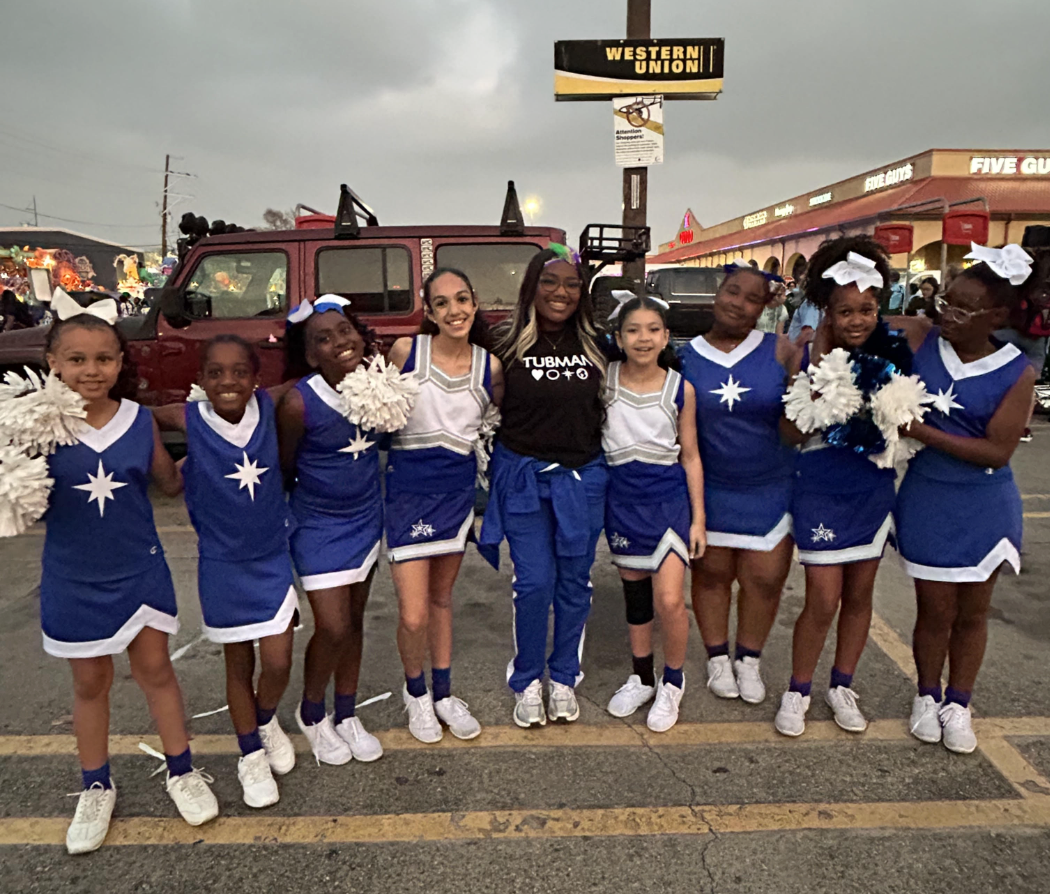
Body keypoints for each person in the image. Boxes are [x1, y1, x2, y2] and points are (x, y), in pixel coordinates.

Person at [41, 295, 218, 855]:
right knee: (90, 684)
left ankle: (182, 769)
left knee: (156, 672)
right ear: (51, 363)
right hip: (72, 576)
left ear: (121, 362)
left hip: (138, 570)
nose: (90, 371)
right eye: (76, 360)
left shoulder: (138, 421)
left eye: (103, 359)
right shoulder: (35, 428)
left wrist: (221, 451)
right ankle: (95, 785)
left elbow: (168, 483)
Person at [891, 245, 1036, 753]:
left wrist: (921, 431)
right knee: (934, 610)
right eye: (945, 303)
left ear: (998, 315)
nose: (947, 315)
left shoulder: (1019, 372)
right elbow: (854, 320)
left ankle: (960, 702)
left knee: (974, 611)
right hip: (927, 496)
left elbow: (997, 450)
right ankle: (926, 695)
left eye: (963, 308)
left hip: (983, 502)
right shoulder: (921, 337)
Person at [155, 335, 297, 808]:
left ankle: (265, 718)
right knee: (239, 664)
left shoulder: (270, 404)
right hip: (221, 565)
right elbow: (134, 415)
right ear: (201, 379)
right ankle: (250, 753)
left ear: (256, 377)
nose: (227, 381)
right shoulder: (187, 417)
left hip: (272, 557)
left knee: (277, 661)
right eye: (215, 372)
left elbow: (307, 382)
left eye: (239, 371)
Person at [774, 237, 908, 737]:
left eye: (867, 309)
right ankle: (798, 689)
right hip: (820, 487)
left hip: (871, 487)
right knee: (823, 599)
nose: (857, 320)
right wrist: (817, 400)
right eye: (846, 310)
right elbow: (788, 434)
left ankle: (842, 685)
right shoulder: (805, 353)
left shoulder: (891, 354)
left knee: (860, 594)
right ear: (827, 309)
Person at [478, 244, 608, 728]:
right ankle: (528, 678)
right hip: (524, 477)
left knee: (575, 583)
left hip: (584, 478)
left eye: (572, 284)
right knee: (534, 583)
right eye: (550, 282)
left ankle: (563, 677)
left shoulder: (598, 342)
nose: (561, 292)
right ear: (532, 286)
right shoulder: (504, 342)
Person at [386, 269, 503, 743]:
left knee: (441, 600)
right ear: (428, 311)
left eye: (462, 299)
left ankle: (443, 692)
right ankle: (415, 695)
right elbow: (380, 413)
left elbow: (494, 427)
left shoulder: (489, 367)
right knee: (413, 613)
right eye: (442, 303)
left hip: (455, 495)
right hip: (408, 492)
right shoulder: (405, 352)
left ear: (475, 303)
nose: (454, 311)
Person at [678, 264, 798, 706]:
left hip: (769, 484)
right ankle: (716, 659)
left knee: (764, 580)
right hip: (710, 487)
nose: (738, 304)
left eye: (751, 299)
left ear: (765, 306)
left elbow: (802, 412)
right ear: (717, 294)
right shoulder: (684, 356)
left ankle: (749, 658)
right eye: (732, 292)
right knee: (711, 576)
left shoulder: (781, 349)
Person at [277, 296, 384, 765]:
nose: (340, 342)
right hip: (318, 524)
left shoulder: (379, 383)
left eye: (344, 330)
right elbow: (284, 467)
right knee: (333, 625)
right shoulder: (300, 402)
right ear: (310, 354)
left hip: (367, 518)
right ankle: (311, 711)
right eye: (324, 338)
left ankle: (347, 711)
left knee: (355, 622)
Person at [602, 295, 705, 732]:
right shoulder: (603, 381)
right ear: (619, 337)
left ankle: (673, 682)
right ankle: (642, 677)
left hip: (667, 501)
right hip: (622, 500)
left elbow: (691, 456)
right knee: (637, 598)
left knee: (669, 599)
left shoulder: (681, 387)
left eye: (652, 329)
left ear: (666, 336)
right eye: (632, 330)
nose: (642, 338)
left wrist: (698, 519)